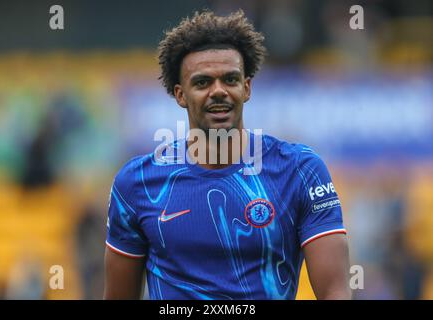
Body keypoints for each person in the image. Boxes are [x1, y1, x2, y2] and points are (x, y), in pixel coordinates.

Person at [104, 9, 351, 300]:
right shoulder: (137, 183)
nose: (218, 91)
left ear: (246, 88)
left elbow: (335, 292)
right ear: (180, 94)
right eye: (202, 82)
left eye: (230, 80)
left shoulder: (300, 170)